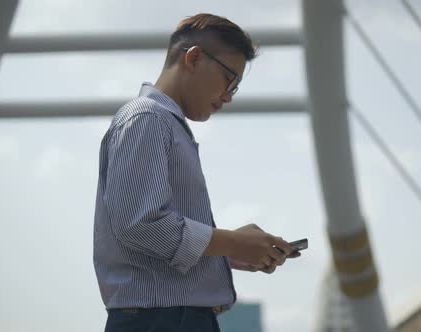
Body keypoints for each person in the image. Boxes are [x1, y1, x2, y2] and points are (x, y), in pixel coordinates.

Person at [93, 13, 298, 332]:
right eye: (230, 80)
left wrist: (233, 252)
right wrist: (231, 242)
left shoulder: (162, 124)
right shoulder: (147, 119)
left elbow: (150, 243)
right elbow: (140, 225)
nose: (230, 95)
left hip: (166, 317)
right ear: (194, 57)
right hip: (162, 320)